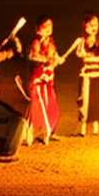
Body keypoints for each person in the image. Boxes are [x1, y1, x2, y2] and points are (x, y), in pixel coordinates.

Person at [26, 14, 64, 144]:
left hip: (48, 78)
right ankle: (39, 132)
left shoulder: (51, 43)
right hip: (38, 77)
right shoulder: (36, 42)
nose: (48, 28)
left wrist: (58, 60)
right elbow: (33, 56)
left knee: (51, 106)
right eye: (45, 26)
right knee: (39, 106)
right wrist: (47, 60)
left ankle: (49, 131)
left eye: (50, 26)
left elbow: (55, 58)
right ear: (38, 28)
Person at [74, 12, 99, 137]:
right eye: (90, 25)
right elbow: (80, 54)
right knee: (85, 102)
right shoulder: (81, 41)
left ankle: (95, 129)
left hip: (97, 76)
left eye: (96, 24)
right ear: (84, 25)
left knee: (96, 102)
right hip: (86, 77)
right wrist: (91, 57)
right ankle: (83, 129)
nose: (93, 27)